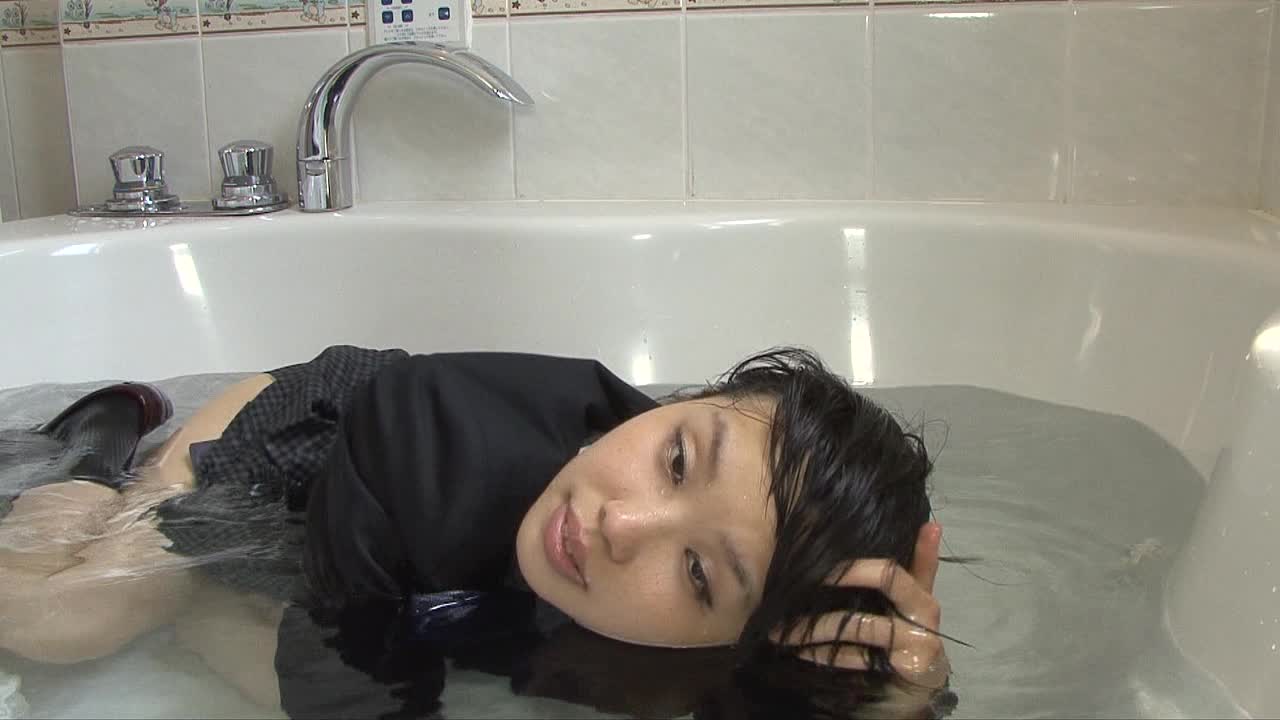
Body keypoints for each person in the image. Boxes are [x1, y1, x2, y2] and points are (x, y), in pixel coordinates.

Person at [0, 346, 951, 718]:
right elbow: (353, 682)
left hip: (409, 558)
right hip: (290, 447)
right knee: (64, 620)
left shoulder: (737, 626)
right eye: (674, 458)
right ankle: (101, 443)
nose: (620, 524)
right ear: (684, 399)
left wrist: (894, 703)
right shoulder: (442, 439)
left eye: (699, 574)